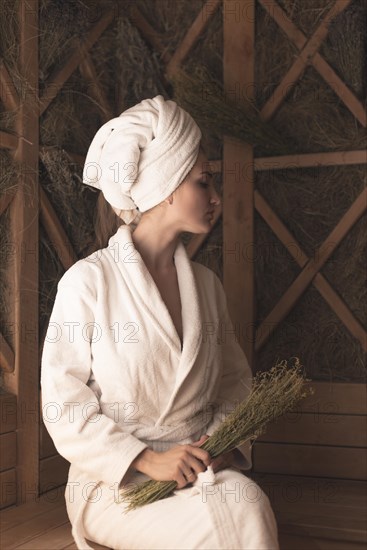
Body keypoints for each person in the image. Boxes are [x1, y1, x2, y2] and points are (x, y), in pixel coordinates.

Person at [41, 95, 279, 550]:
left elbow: (235, 384)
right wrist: (149, 460)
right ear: (167, 186)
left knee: (248, 503)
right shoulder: (88, 283)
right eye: (204, 182)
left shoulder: (207, 287)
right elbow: (63, 406)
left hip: (197, 473)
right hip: (116, 485)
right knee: (226, 526)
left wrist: (224, 442)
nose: (216, 198)